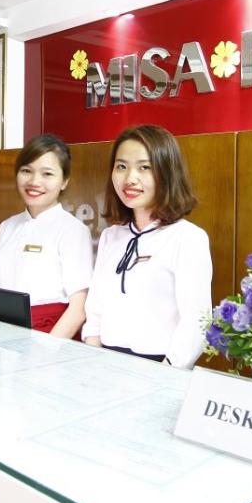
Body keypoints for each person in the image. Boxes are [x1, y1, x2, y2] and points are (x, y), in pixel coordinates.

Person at [82, 124, 212, 367]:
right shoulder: (111, 236)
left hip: (162, 368)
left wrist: (166, 372)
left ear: (167, 172)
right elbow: (95, 309)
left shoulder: (188, 238)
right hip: (104, 364)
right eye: (121, 166)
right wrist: (93, 359)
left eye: (145, 167)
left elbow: (197, 322)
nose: (130, 179)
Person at [0, 134, 93, 338]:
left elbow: (78, 310)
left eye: (47, 174)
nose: (35, 181)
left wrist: (43, 351)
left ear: (64, 181)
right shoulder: (6, 227)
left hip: (50, 337)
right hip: (3, 334)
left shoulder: (73, 230)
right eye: (26, 171)